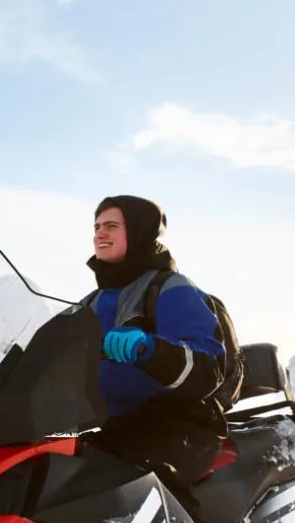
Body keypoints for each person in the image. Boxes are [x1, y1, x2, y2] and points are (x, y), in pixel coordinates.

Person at [86, 195, 227, 489]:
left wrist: (149, 348)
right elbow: (52, 354)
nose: (100, 233)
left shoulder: (169, 287)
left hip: (176, 425)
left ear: (139, 231)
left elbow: (208, 366)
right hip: (115, 428)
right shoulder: (89, 304)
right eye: (97, 226)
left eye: (111, 225)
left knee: (139, 494)